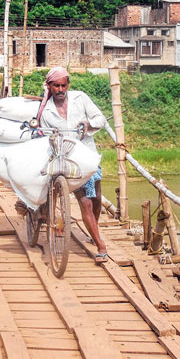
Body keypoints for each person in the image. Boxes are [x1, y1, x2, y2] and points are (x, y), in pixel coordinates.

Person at [37, 67, 108, 264]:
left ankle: (93, 229)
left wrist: (88, 124)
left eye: (63, 85)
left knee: (96, 198)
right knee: (85, 201)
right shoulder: (46, 110)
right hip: (65, 158)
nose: (60, 89)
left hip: (87, 155)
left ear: (68, 85)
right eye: (56, 86)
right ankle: (101, 245)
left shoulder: (80, 98)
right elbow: (43, 135)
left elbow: (100, 118)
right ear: (49, 86)